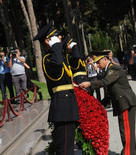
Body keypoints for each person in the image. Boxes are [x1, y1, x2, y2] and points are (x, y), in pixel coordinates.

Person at [33, 20, 79, 155]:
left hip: (66, 105)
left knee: (68, 146)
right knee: (64, 149)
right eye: (56, 36)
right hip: (62, 107)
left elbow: (74, 58)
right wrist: (57, 46)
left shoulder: (57, 56)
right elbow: (58, 64)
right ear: (48, 41)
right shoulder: (49, 59)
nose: (60, 38)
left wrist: (59, 47)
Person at [79, 52, 136, 155]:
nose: (97, 65)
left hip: (125, 103)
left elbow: (106, 82)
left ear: (105, 59)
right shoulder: (109, 70)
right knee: (127, 132)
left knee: (126, 132)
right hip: (123, 103)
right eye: (96, 63)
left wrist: (90, 84)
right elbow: (110, 92)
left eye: (98, 62)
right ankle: (131, 152)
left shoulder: (114, 69)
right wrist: (99, 104)